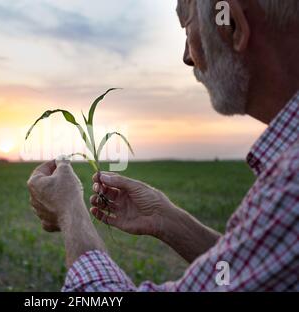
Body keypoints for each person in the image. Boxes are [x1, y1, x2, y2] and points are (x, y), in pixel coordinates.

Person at [27, 0, 299, 291]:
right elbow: (249, 271)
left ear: (231, 23)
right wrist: (164, 218)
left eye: (187, 27)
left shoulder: (292, 180)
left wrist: (70, 212)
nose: (187, 57)